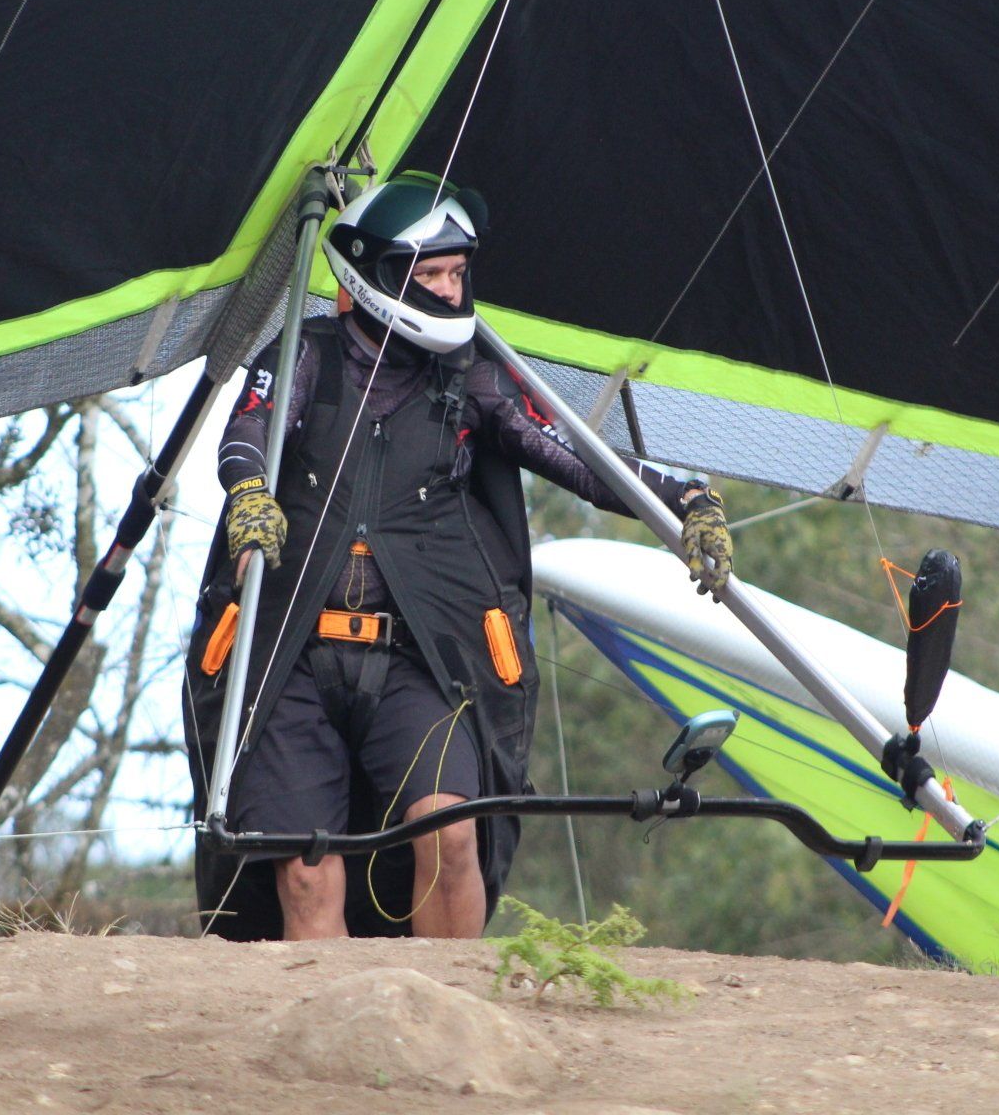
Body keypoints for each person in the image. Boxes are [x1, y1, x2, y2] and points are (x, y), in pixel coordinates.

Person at [182, 173, 732, 941]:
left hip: (419, 659)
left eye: (456, 274)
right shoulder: (305, 353)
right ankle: (343, 1038)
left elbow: (576, 453)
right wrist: (249, 495)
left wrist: (686, 500)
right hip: (293, 659)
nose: (448, 291)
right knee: (306, 867)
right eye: (430, 275)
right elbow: (252, 429)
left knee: (450, 832)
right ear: (374, 280)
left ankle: (448, 1011)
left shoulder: (470, 375)